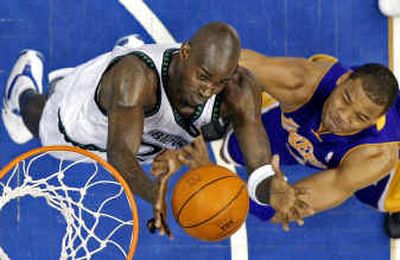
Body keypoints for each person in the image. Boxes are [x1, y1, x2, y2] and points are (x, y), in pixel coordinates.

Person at [2, 23, 306, 238]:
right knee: (46, 128)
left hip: (145, 125)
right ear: (185, 51)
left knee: (173, 127)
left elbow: (257, 162)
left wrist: (269, 188)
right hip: (91, 120)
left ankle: (123, 57)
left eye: (220, 81)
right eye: (204, 77)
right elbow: (120, 155)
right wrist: (155, 194)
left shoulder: (239, 88)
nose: (209, 90)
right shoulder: (136, 79)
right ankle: (20, 98)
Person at [156, 51, 400, 237]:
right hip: (299, 124)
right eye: (345, 99)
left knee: (381, 199)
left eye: (360, 117)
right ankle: (224, 111)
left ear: (375, 119)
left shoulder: (374, 156)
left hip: (377, 169)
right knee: (238, 147)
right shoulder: (301, 82)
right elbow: (218, 57)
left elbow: (281, 211)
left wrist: (214, 180)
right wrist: (175, 121)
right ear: (343, 79)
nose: (343, 117)